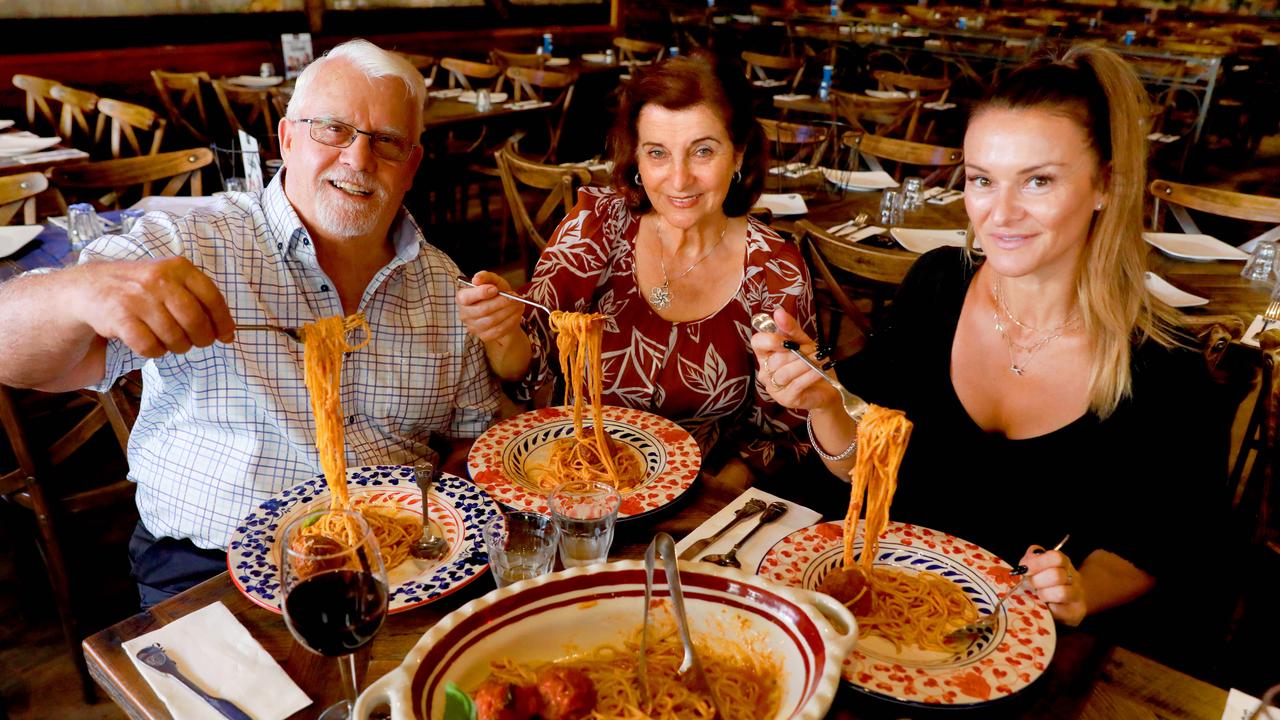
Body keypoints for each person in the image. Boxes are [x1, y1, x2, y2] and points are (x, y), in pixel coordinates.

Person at [0, 39, 499, 606]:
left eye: (386, 141)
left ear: (411, 166)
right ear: (287, 140)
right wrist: (76, 293)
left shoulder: (441, 284)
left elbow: (468, 440)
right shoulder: (191, 243)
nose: (359, 160)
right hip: (210, 568)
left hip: (399, 564)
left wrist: (444, 527)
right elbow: (12, 354)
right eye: (332, 129)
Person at [752, 45, 1222, 629]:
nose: (1000, 213)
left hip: (1014, 638)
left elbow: (1160, 543)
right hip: (877, 599)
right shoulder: (937, 283)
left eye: (1038, 181)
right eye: (982, 180)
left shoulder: (1167, 364)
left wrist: (1080, 592)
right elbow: (862, 467)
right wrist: (824, 400)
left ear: (1106, 184)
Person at [458, 51, 816, 488]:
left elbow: (785, 428)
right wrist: (501, 330)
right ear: (638, 159)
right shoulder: (596, 226)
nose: (679, 179)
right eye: (657, 153)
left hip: (701, 495)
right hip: (568, 482)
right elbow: (523, 367)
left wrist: (718, 496)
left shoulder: (774, 268)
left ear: (738, 154)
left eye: (703, 151)